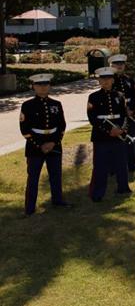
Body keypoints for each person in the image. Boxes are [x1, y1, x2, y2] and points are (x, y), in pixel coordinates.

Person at [19, 74, 69, 216]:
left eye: (46, 84)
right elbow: (25, 130)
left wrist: (53, 142)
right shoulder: (27, 105)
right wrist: (40, 145)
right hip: (35, 147)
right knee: (33, 177)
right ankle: (29, 208)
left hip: (54, 144)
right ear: (33, 87)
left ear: (50, 86)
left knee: (56, 174)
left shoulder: (56, 104)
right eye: (39, 84)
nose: (43, 87)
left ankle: (58, 200)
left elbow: (62, 126)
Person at [87, 67, 132, 201]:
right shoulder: (93, 97)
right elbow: (93, 118)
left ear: (112, 80)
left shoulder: (119, 96)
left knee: (121, 164)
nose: (105, 81)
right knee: (100, 166)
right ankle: (98, 193)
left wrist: (122, 129)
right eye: (102, 79)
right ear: (99, 81)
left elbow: (124, 116)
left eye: (108, 79)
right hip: (101, 137)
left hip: (118, 135)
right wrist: (109, 130)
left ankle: (123, 188)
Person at [109, 54, 135, 171]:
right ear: (111, 65)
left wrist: (131, 109)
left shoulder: (129, 80)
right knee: (115, 142)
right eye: (116, 64)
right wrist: (123, 111)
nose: (119, 66)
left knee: (129, 139)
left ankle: (132, 163)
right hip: (117, 116)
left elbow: (134, 96)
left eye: (121, 64)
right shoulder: (109, 80)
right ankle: (114, 167)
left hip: (129, 114)